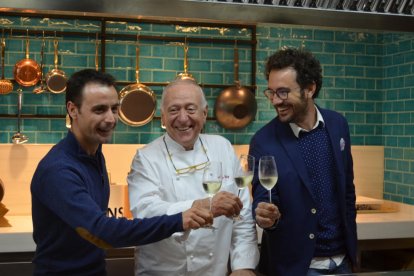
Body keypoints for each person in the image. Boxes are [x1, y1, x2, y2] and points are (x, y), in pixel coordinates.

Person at [30, 69, 212, 275]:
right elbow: (102, 232)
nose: (110, 119)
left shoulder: (93, 153)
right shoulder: (59, 170)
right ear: (73, 110)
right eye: (99, 110)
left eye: (114, 109)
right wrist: (179, 220)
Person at [127, 78, 259, 275]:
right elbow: (146, 213)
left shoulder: (222, 147)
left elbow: (243, 214)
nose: (182, 118)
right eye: (173, 110)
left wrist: (243, 265)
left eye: (190, 109)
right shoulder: (145, 158)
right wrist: (205, 206)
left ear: (204, 114)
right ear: (162, 117)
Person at [249, 47, 358, 276]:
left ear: (309, 89)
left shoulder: (338, 124)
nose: (275, 101)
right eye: (271, 93)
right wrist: (266, 216)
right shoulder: (264, 141)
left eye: (283, 92)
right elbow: (264, 197)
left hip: (343, 262)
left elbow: (347, 189)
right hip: (296, 267)